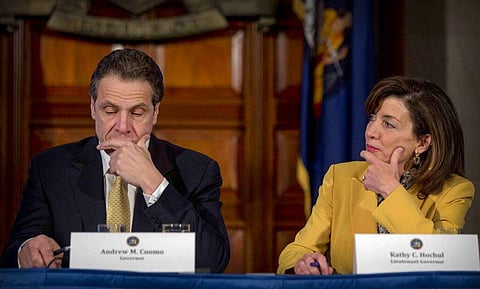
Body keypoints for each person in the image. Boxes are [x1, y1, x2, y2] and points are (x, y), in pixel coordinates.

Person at [1, 48, 230, 273]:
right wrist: (26, 251)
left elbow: (212, 261)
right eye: (110, 111)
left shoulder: (197, 171)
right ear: (92, 108)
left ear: (156, 112)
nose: (122, 127)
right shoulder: (50, 169)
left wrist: (153, 183)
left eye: (137, 113)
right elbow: (14, 252)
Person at [277, 76, 475, 275]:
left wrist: (391, 190)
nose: (371, 131)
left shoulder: (454, 190)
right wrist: (301, 263)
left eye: (388, 124)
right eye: (373, 118)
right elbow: (297, 250)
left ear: (422, 143)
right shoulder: (340, 178)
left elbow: (443, 257)